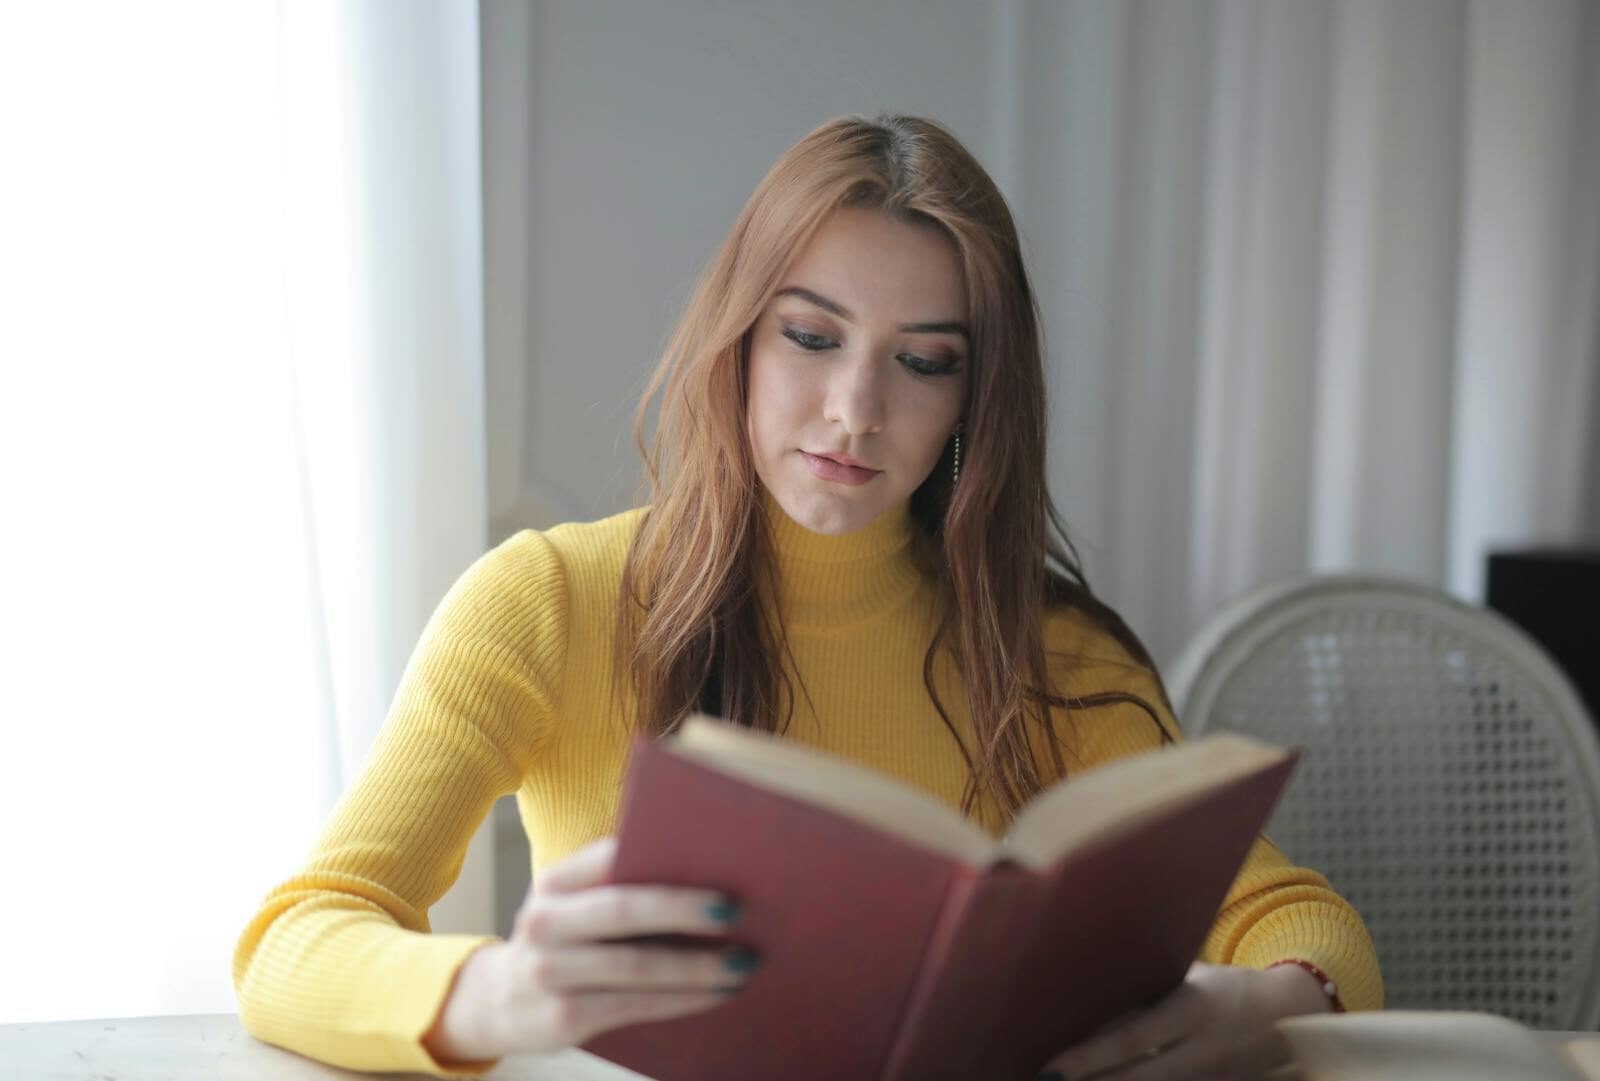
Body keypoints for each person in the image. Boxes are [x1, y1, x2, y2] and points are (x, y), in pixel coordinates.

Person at [233, 114, 1382, 1080]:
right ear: (735, 337)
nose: (853, 410)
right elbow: (298, 936)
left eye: (921, 360)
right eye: (810, 338)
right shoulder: (548, 602)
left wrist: (1260, 1006)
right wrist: (502, 991)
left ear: (975, 397)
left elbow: (1300, 921)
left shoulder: (1057, 653)